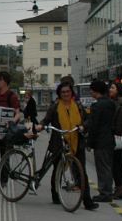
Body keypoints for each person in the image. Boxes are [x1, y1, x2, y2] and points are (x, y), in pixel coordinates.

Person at [37, 81, 98, 210]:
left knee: (82, 172)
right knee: (57, 170)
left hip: (77, 142)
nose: (65, 94)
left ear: (72, 92)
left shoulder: (78, 106)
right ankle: (55, 194)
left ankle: (87, 201)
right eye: (63, 92)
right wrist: (40, 125)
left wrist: (83, 126)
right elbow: (47, 119)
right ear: (59, 93)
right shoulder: (55, 107)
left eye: (68, 91)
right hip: (59, 142)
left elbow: (88, 119)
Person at [86, 79, 116, 202]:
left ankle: (104, 193)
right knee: (107, 166)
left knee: (102, 167)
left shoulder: (97, 106)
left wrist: (89, 142)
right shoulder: (111, 103)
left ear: (96, 91)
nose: (90, 93)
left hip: (100, 141)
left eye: (91, 90)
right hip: (109, 139)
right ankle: (108, 190)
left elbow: (94, 126)